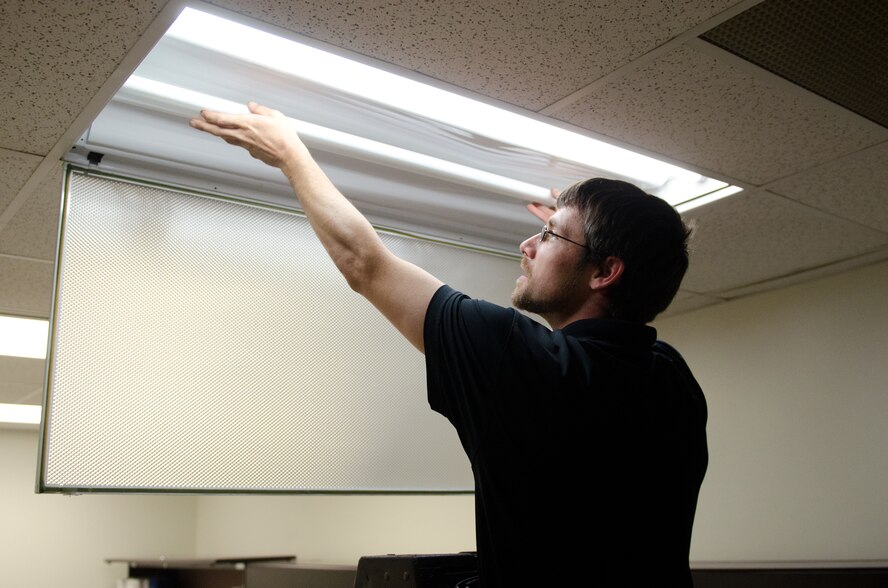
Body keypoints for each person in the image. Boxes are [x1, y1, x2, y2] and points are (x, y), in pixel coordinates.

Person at [191, 103, 708, 587]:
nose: (527, 246)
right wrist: (576, 231)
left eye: (547, 236)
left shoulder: (521, 358)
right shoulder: (672, 379)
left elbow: (364, 264)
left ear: (606, 272)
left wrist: (288, 153)